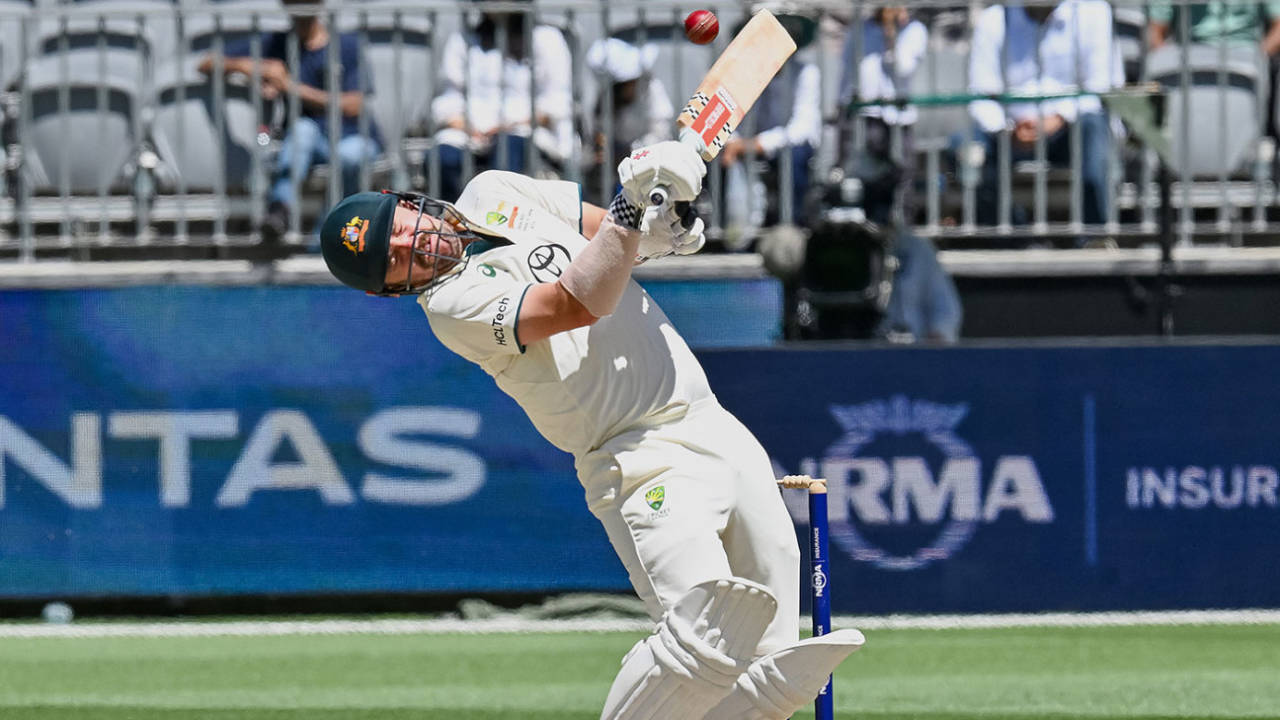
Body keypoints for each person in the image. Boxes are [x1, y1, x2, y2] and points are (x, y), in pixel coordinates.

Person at [316, 141, 865, 720]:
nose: (409, 241)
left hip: (712, 420)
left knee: (772, 669)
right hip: (638, 457)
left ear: (404, 202)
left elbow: (607, 238)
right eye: (393, 257)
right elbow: (580, 300)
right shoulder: (453, 307)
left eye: (397, 226)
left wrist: (663, 225)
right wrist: (632, 208)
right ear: (390, 288)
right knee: (704, 642)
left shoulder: (493, 190)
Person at [198, 0, 382, 244]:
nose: (300, 5)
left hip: (355, 137)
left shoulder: (346, 46)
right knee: (303, 129)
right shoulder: (276, 43)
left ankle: (327, 236)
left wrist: (290, 87)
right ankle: (279, 210)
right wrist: (256, 67)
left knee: (349, 156)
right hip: (310, 141)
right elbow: (206, 63)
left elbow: (353, 105)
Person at [967, 0, 1117, 228]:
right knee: (966, 146)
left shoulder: (1094, 12)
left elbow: (1101, 88)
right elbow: (980, 95)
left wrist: (1059, 118)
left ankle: (1096, 236)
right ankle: (1012, 237)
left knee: (1093, 129)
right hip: (1010, 135)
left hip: (1071, 130)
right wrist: (1007, 130)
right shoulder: (993, 19)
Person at [429, 3, 575, 202]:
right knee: (443, 158)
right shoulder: (463, 40)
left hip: (524, 134)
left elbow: (555, 103)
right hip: (470, 134)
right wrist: (467, 127)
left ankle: (494, 228)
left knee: (506, 155)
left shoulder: (547, 39)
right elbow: (449, 98)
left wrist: (508, 126)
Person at [720, 10, 822, 233]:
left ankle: (790, 228)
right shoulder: (747, 74)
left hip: (786, 146)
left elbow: (800, 129)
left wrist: (754, 144)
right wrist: (732, 142)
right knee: (715, 156)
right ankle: (729, 230)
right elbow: (732, 115)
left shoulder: (806, 73)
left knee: (794, 157)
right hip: (750, 145)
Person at [838, 5, 928, 226]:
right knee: (866, 177)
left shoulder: (915, 30)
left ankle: (902, 230)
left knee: (904, 177)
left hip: (899, 117)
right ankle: (868, 229)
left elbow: (903, 68)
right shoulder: (860, 30)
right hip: (866, 117)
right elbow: (848, 75)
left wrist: (891, 31)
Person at [584, 37, 674, 205]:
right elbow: (598, 130)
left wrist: (631, 152)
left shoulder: (651, 90)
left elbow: (660, 133)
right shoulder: (606, 99)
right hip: (614, 171)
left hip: (649, 164)